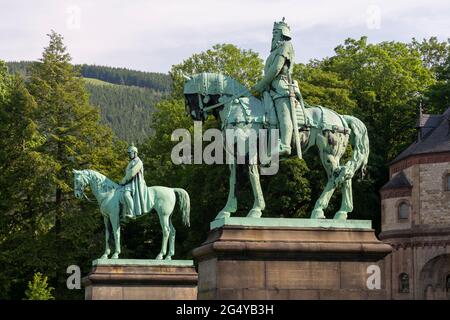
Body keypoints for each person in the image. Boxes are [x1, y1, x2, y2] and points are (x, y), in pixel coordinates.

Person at [253, 18, 296, 157]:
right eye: (273, 32)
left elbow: (276, 68)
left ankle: (285, 144)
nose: (273, 35)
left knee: (283, 113)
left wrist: (261, 84)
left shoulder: (286, 46)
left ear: (283, 33)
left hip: (281, 86)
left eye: (275, 32)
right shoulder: (274, 50)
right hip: (270, 87)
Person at [120, 143, 149, 220]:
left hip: (136, 183)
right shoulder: (131, 162)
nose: (129, 155)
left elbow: (132, 173)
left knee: (126, 194)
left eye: (130, 153)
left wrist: (123, 181)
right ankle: (123, 214)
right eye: (129, 153)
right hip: (130, 183)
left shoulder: (138, 162)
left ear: (134, 153)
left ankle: (132, 213)